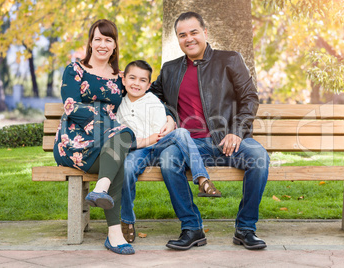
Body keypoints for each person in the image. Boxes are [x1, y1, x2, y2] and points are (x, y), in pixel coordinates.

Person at [148, 12, 270, 250]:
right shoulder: (170, 69)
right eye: (182, 35)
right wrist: (169, 117)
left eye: (193, 32)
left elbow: (249, 98)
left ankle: (245, 228)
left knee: (258, 157)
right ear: (178, 39)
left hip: (226, 140)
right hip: (188, 145)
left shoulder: (230, 60)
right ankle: (192, 228)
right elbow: (149, 97)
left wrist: (236, 131)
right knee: (167, 158)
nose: (189, 39)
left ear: (205, 33)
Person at [53, 19, 135, 255]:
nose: (102, 44)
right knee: (122, 138)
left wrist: (169, 115)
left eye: (108, 40)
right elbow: (70, 106)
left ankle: (102, 191)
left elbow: (146, 95)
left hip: (110, 139)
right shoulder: (75, 70)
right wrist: (107, 124)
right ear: (90, 42)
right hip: (75, 140)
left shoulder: (120, 77)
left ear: (115, 45)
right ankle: (114, 233)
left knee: (117, 156)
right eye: (98, 38)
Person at [117, 60, 221, 243]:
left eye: (142, 80)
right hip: (138, 150)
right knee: (126, 169)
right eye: (132, 78)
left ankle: (202, 179)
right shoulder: (118, 104)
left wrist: (170, 122)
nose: (136, 83)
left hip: (160, 145)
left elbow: (168, 122)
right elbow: (118, 135)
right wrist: (141, 142)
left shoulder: (153, 100)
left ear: (149, 85)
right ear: (123, 79)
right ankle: (127, 220)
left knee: (181, 132)